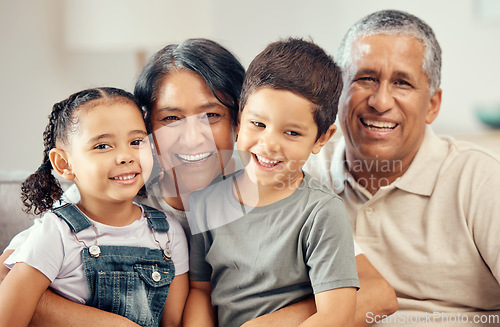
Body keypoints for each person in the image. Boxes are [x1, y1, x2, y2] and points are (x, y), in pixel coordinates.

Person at [0, 39, 396, 327]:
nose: (193, 138)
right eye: (171, 119)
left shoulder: (273, 186)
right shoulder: (114, 190)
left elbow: (377, 294)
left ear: (240, 120)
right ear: (146, 126)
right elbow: (9, 274)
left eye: (211, 116)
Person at [304, 9, 500, 326]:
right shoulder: (304, 178)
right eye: (365, 78)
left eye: (402, 82)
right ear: (337, 91)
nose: (380, 102)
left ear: (432, 105)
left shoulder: (481, 180)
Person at [185, 38, 360, 327]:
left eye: (291, 133)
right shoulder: (206, 202)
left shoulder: (322, 213)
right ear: (239, 120)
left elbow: (335, 316)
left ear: (321, 139)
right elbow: (200, 292)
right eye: (258, 124)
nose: (269, 145)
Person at [0, 87, 189, 327]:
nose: (125, 156)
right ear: (64, 163)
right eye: (102, 146)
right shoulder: (55, 233)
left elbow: (171, 322)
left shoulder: (168, 234)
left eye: (136, 141)